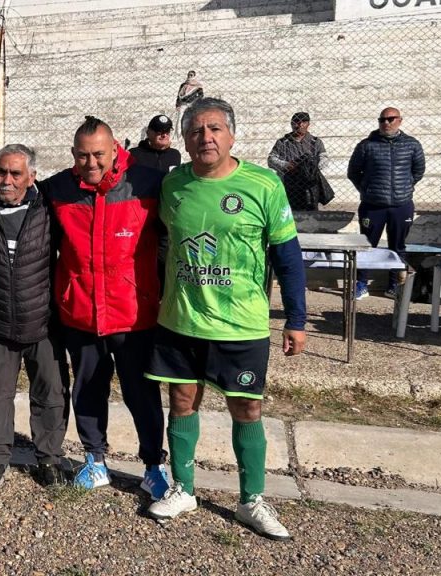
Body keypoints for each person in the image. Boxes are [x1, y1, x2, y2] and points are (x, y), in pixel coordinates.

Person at [146, 98, 307, 542]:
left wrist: (297, 318)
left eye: (215, 128)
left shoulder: (263, 184)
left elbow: (288, 257)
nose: (206, 138)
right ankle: (183, 489)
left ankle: (250, 499)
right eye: (196, 131)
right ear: (185, 139)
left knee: (247, 408)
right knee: (181, 403)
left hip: (241, 324)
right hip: (180, 320)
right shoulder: (173, 184)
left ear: (232, 135)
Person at [41, 116, 169, 498]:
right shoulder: (59, 188)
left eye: (98, 154)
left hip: (133, 314)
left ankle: (153, 464)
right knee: (88, 389)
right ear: (72, 155)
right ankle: (95, 460)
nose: (91, 163)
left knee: (141, 393)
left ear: (116, 151)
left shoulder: (148, 183)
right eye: (82, 156)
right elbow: (14, 191)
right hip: (80, 312)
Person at [0, 144, 69, 488]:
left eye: (16, 174)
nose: (7, 180)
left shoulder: (49, 209)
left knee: (50, 393)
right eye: (1, 172)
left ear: (31, 178)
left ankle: (49, 458)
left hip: (42, 320)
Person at [347, 107, 425, 299]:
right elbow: (353, 172)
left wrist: (404, 188)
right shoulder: (366, 145)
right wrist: (367, 191)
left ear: (400, 120)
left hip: (401, 205)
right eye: (382, 120)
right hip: (372, 206)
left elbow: (418, 171)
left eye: (391, 119)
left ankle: (394, 285)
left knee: (397, 246)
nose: (386, 123)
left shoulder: (412, 145)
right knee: (367, 245)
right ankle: (361, 284)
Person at [268, 112, 328, 212]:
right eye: (296, 121)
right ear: (291, 124)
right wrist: (287, 165)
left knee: (311, 214)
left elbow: (324, 158)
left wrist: (313, 167)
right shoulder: (283, 142)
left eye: (304, 122)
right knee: (287, 213)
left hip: (309, 186)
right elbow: (271, 159)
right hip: (288, 184)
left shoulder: (315, 141)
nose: (300, 125)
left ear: (308, 124)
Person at [174, 71, 204, 137]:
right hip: (183, 104)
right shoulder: (183, 85)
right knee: (180, 119)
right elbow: (178, 95)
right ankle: (178, 134)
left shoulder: (198, 86)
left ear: (195, 76)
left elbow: (201, 96)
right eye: (189, 75)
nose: (190, 77)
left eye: (192, 75)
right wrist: (177, 104)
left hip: (193, 104)